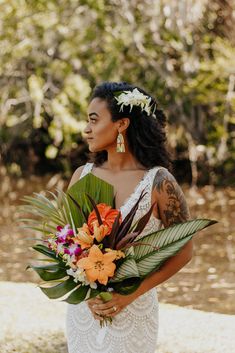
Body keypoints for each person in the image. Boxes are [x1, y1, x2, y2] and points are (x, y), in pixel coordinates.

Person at [66, 81, 193, 353]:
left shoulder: (159, 182)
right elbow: (68, 244)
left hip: (134, 310)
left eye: (94, 120)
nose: (86, 129)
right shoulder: (81, 176)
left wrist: (130, 295)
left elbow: (184, 252)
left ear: (122, 124)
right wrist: (85, 291)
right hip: (84, 311)